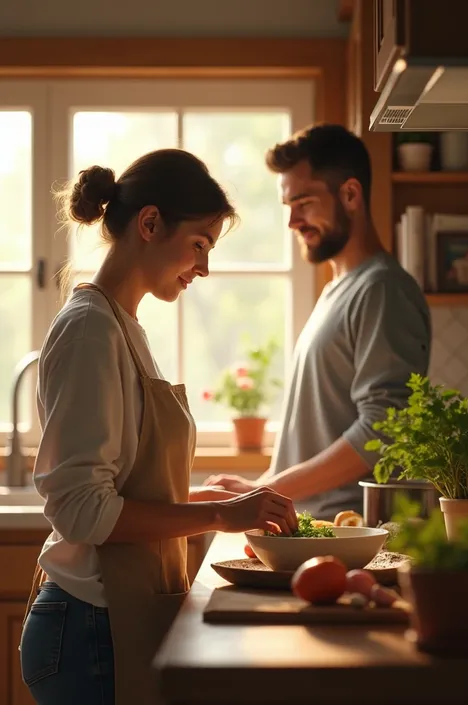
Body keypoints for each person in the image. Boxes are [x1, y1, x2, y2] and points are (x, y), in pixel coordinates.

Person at [19, 149, 297, 705]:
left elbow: (119, 490)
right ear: (150, 224)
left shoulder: (122, 327)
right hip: (89, 626)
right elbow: (81, 510)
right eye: (200, 245)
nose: (205, 268)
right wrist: (218, 514)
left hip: (111, 614)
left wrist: (199, 495)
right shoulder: (90, 331)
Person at [204, 124, 431, 522]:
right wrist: (259, 487)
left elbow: (382, 431)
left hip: (349, 533)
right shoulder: (338, 289)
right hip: (315, 531)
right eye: (288, 206)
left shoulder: (383, 289)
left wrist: (263, 490)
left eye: (304, 202)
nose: (292, 220)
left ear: (350, 194)